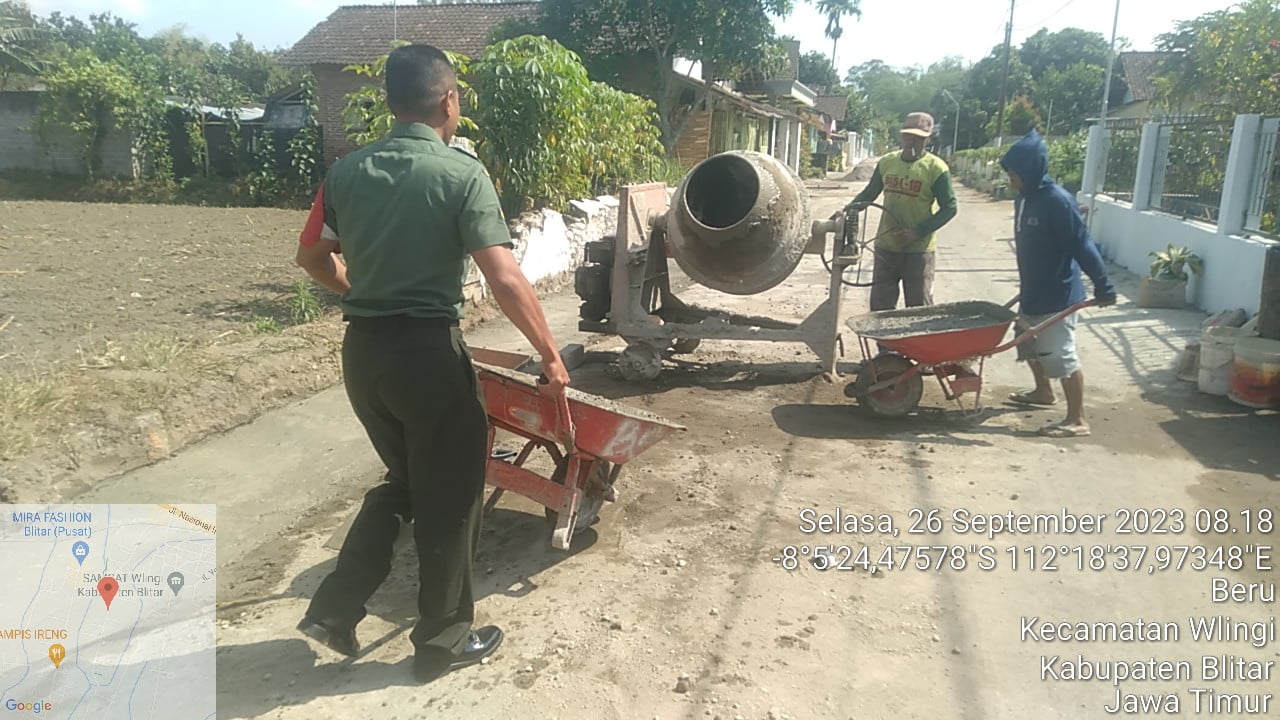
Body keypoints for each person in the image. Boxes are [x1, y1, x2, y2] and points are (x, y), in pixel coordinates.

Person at [292, 43, 570, 683]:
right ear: (448, 101)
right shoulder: (460, 173)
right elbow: (502, 276)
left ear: (390, 103)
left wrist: (360, 290)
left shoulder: (345, 173)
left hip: (364, 357)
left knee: (409, 481)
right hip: (426, 356)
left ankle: (334, 609)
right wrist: (550, 357)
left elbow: (310, 258)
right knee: (450, 496)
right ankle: (442, 641)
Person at [999, 129, 1116, 438]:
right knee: (1027, 342)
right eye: (1009, 171)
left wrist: (1103, 286)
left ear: (1031, 169)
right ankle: (1042, 392)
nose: (1010, 177)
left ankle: (1077, 419)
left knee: (1060, 355)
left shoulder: (1058, 201)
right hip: (1033, 291)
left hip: (1058, 293)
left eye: (1015, 172)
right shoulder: (1024, 198)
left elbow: (1083, 245)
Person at [839, 112, 958, 311]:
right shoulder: (887, 163)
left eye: (918, 137)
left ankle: (916, 343)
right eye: (907, 135)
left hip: (918, 251)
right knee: (881, 306)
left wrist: (917, 232)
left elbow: (950, 207)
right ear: (901, 136)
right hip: (886, 247)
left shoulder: (936, 168)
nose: (911, 141)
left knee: (918, 308)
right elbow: (870, 193)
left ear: (927, 139)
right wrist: (848, 211)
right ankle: (885, 344)